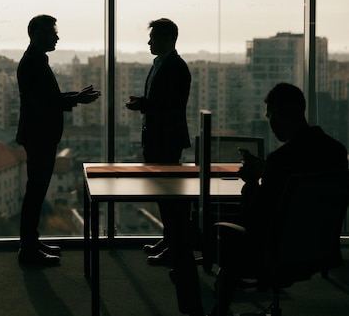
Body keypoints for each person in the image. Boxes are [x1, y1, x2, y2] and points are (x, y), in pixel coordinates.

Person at [209, 82, 348, 316]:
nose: (270, 124)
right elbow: (303, 190)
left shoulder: (280, 159)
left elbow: (256, 217)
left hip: (277, 251)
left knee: (229, 238)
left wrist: (252, 183)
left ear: (281, 115)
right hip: (318, 246)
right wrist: (267, 173)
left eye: (270, 116)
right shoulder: (336, 151)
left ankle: (220, 312)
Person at [125, 18, 200, 316]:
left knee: (169, 195)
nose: (149, 42)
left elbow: (171, 105)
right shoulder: (161, 64)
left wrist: (143, 104)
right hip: (157, 137)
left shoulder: (176, 67)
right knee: (163, 193)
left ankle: (174, 245)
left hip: (166, 139)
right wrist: (144, 104)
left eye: (154, 37)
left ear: (169, 38)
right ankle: (170, 240)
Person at [16, 14, 101, 266]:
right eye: (53, 32)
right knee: (35, 193)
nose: (57, 36)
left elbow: (47, 97)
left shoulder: (36, 60)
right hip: (39, 136)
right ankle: (28, 249)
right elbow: (44, 102)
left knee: (36, 192)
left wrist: (76, 95)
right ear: (37, 34)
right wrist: (77, 99)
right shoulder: (33, 62)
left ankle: (31, 242)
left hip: (39, 135)